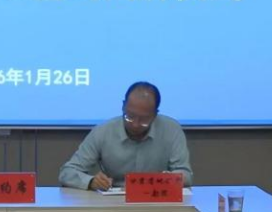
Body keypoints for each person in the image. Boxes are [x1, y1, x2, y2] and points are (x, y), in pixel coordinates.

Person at [59, 81, 194, 190]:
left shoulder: (171, 130)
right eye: (130, 117)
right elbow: (67, 172)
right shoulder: (103, 131)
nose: (135, 124)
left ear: (155, 114)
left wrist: (167, 179)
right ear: (123, 107)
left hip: (156, 198)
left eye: (144, 120)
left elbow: (186, 175)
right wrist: (91, 181)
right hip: (114, 202)